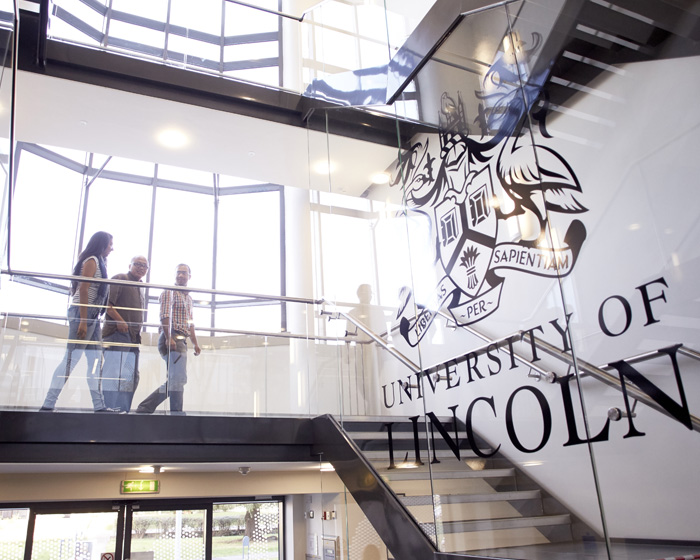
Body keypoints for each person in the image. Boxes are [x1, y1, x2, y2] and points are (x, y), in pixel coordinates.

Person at [40, 231, 115, 412]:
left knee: (96, 360)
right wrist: (83, 320)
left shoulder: (101, 262)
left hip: (93, 317)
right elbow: (83, 288)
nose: (112, 248)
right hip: (83, 314)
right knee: (70, 360)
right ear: (102, 244)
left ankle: (99, 406)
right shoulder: (92, 261)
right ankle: (48, 405)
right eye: (110, 244)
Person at [135, 264, 201, 415]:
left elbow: (190, 322)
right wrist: (168, 337)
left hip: (182, 339)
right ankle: (146, 408)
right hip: (171, 336)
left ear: (189, 276)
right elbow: (165, 315)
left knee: (177, 379)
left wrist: (195, 344)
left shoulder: (189, 298)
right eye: (178, 273)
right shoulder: (169, 292)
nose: (180, 275)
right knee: (179, 378)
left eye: (184, 273)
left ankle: (175, 413)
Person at [100, 255, 149, 412]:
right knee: (113, 372)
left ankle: (123, 409)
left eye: (144, 266)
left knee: (132, 376)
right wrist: (120, 321)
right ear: (130, 265)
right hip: (117, 333)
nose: (141, 267)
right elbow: (107, 305)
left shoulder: (140, 286)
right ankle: (109, 408)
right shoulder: (120, 278)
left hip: (134, 337)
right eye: (138, 264)